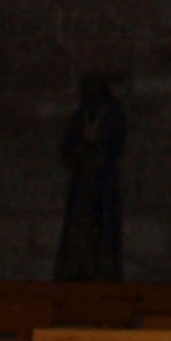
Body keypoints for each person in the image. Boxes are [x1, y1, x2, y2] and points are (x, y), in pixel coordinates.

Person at [53, 71, 128, 282]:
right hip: (83, 184)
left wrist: (96, 154)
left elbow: (115, 145)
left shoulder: (113, 114)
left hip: (102, 184)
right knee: (79, 228)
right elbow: (67, 147)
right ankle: (77, 270)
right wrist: (81, 154)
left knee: (103, 226)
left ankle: (103, 273)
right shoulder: (80, 116)